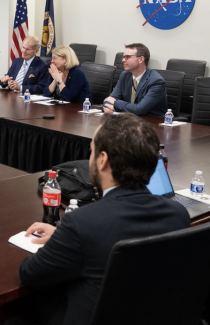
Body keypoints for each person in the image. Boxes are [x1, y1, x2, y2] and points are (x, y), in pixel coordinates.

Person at [17, 113, 189, 325]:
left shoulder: (82, 224)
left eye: (91, 151)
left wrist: (65, 239)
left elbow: (30, 273)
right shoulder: (178, 215)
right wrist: (65, 239)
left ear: (102, 160)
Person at [103, 43, 167, 117]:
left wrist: (116, 103)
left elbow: (139, 109)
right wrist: (109, 105)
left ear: (141, 59)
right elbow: (108, 100)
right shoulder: (125, 75)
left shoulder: (156, 81)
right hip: (129, 120)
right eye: (123, 57)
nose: (123, 60)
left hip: (151, 123)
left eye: (127, 57)